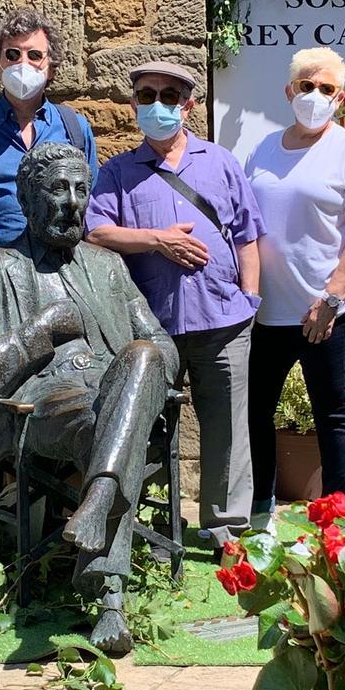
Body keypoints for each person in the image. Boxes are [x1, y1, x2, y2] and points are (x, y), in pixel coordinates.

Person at [0, 143, 178, 655]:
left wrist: (139, 375)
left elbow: (163, 346)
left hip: (115, 394)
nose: (72, 202)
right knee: (115, 426)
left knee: (142, 359)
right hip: (46, 403)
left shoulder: (108, 266)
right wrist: (43, 327)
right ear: (26, 199)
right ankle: (109, 592)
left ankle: (99, 512)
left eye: (81, 189)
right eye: (57, 189)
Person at [86, 61, 263, 555]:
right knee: (145, 426)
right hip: (151, 326)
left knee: (228, 427)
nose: (157, 104)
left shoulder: (220, 162)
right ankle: (151, 524)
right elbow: (96, 231)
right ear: (134, 103)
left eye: (169, 96)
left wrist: (250, 298)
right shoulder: (118, 172)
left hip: (224, 318)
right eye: (147, 95)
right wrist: (156, 240)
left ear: (188, 106)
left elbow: (248, 234)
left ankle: (226, 527)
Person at [244, 47, 345, 518]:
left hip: (330, 313)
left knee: (333, 413)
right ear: (290, 91)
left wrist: (332, 298)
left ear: (340, 98)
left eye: (327, 89)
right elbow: (243, 223)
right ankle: (259, 509)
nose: (315, 95)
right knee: (255, 410)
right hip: (268, 311)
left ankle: (340, 518)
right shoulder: (263, 149)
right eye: (307, 86)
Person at [0, 8, 97, 247]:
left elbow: (89, 197)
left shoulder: (75, 128)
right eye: (12, 54)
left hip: (57, 259)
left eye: (34, 55)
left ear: (51, 68)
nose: (22, 63)